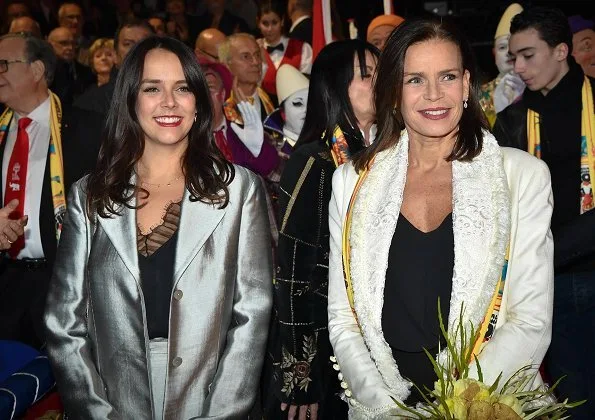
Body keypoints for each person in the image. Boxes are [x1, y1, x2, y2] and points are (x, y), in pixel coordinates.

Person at [328, 17, 554, 417]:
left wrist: (452, 408)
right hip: (384, 404)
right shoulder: (352, 182)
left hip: (489, 402)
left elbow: (530, 321)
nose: (434, 94)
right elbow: (344, 320)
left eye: (447, 76)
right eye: (415, 79)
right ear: (393, 92)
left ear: (467, 84)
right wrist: (388, 410)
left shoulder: (521, 177)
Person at [44, 36, 273, 419]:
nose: (169, 102)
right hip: (112, 394)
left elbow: (252, 313)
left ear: (198, 102)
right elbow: (64, 320)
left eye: (182, 88)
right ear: (131, 100)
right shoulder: (90, 194)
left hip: (211, 393)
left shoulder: (238, 190)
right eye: (152, 88)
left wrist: (221, 413)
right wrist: (97, 412)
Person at [262, 39, 379, 420]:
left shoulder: (388, 152)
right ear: (334, 85)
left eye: (381, 72)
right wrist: (302, 377)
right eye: (366, 75)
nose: (379, 82)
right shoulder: (315, 161)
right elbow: (295, 277)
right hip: (326, 349)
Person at [493, 7, 595, 419]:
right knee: (571, 397)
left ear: (561, 51)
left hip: (579, 261)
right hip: (544, 282)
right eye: (514, 57)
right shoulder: (511, 118)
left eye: (528, 55)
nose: (518, 66)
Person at [0, 33, 79, 349]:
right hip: (6, 284)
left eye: (3, 64)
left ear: (36, 70)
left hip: (63, 286)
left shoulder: (84, 130)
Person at [479, 3, 525, 128]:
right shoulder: (478, 95)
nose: (509, 52)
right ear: (494, 54)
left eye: (516, 46)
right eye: (502, 47)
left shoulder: (540, 87)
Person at [257, 0, 312, 101]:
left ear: (282, 21)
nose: (270, 29)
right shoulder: (254, 50)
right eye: (265, 23)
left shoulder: (302, 48)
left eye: (274, 23)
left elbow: (307, 86)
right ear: (258, 23)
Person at [263, 63, 310, 157]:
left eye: (311, 103)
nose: (307, 109)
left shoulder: (329, 140)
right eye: (297, 103)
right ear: (283, 113)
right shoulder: (274, 150)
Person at [48, 27, 94, 108]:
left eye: (73, 43)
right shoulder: (43, 73)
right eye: (63, 43)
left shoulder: (87, 72)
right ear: (49, 44)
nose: (70, 47)